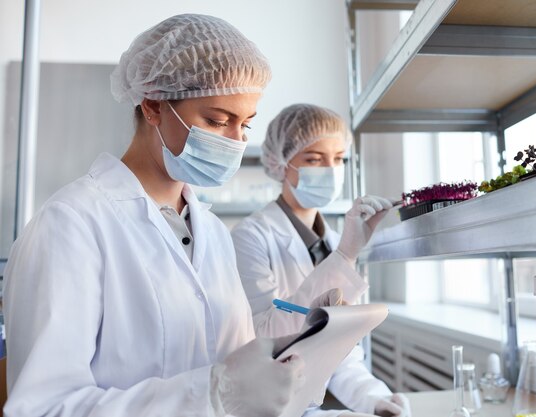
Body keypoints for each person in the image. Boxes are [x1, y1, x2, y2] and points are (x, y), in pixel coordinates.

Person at [2, 14, 311, 417]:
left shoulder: (213, 233)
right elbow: (43, 407)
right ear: (152, 106)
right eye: (217, 121)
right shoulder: (71, 224)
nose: (235, 141)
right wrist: (212, 397)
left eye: (245, 125)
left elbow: (238, 367)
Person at [231, 104, 412, 417]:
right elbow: (265, 336)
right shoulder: (251, 236)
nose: (330, 169)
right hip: (266, 403)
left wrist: (374, 399)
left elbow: (339, 347)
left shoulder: (331, 240)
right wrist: (345, 256)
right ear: (282, 163)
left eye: (338, 158)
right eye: (314, 159)